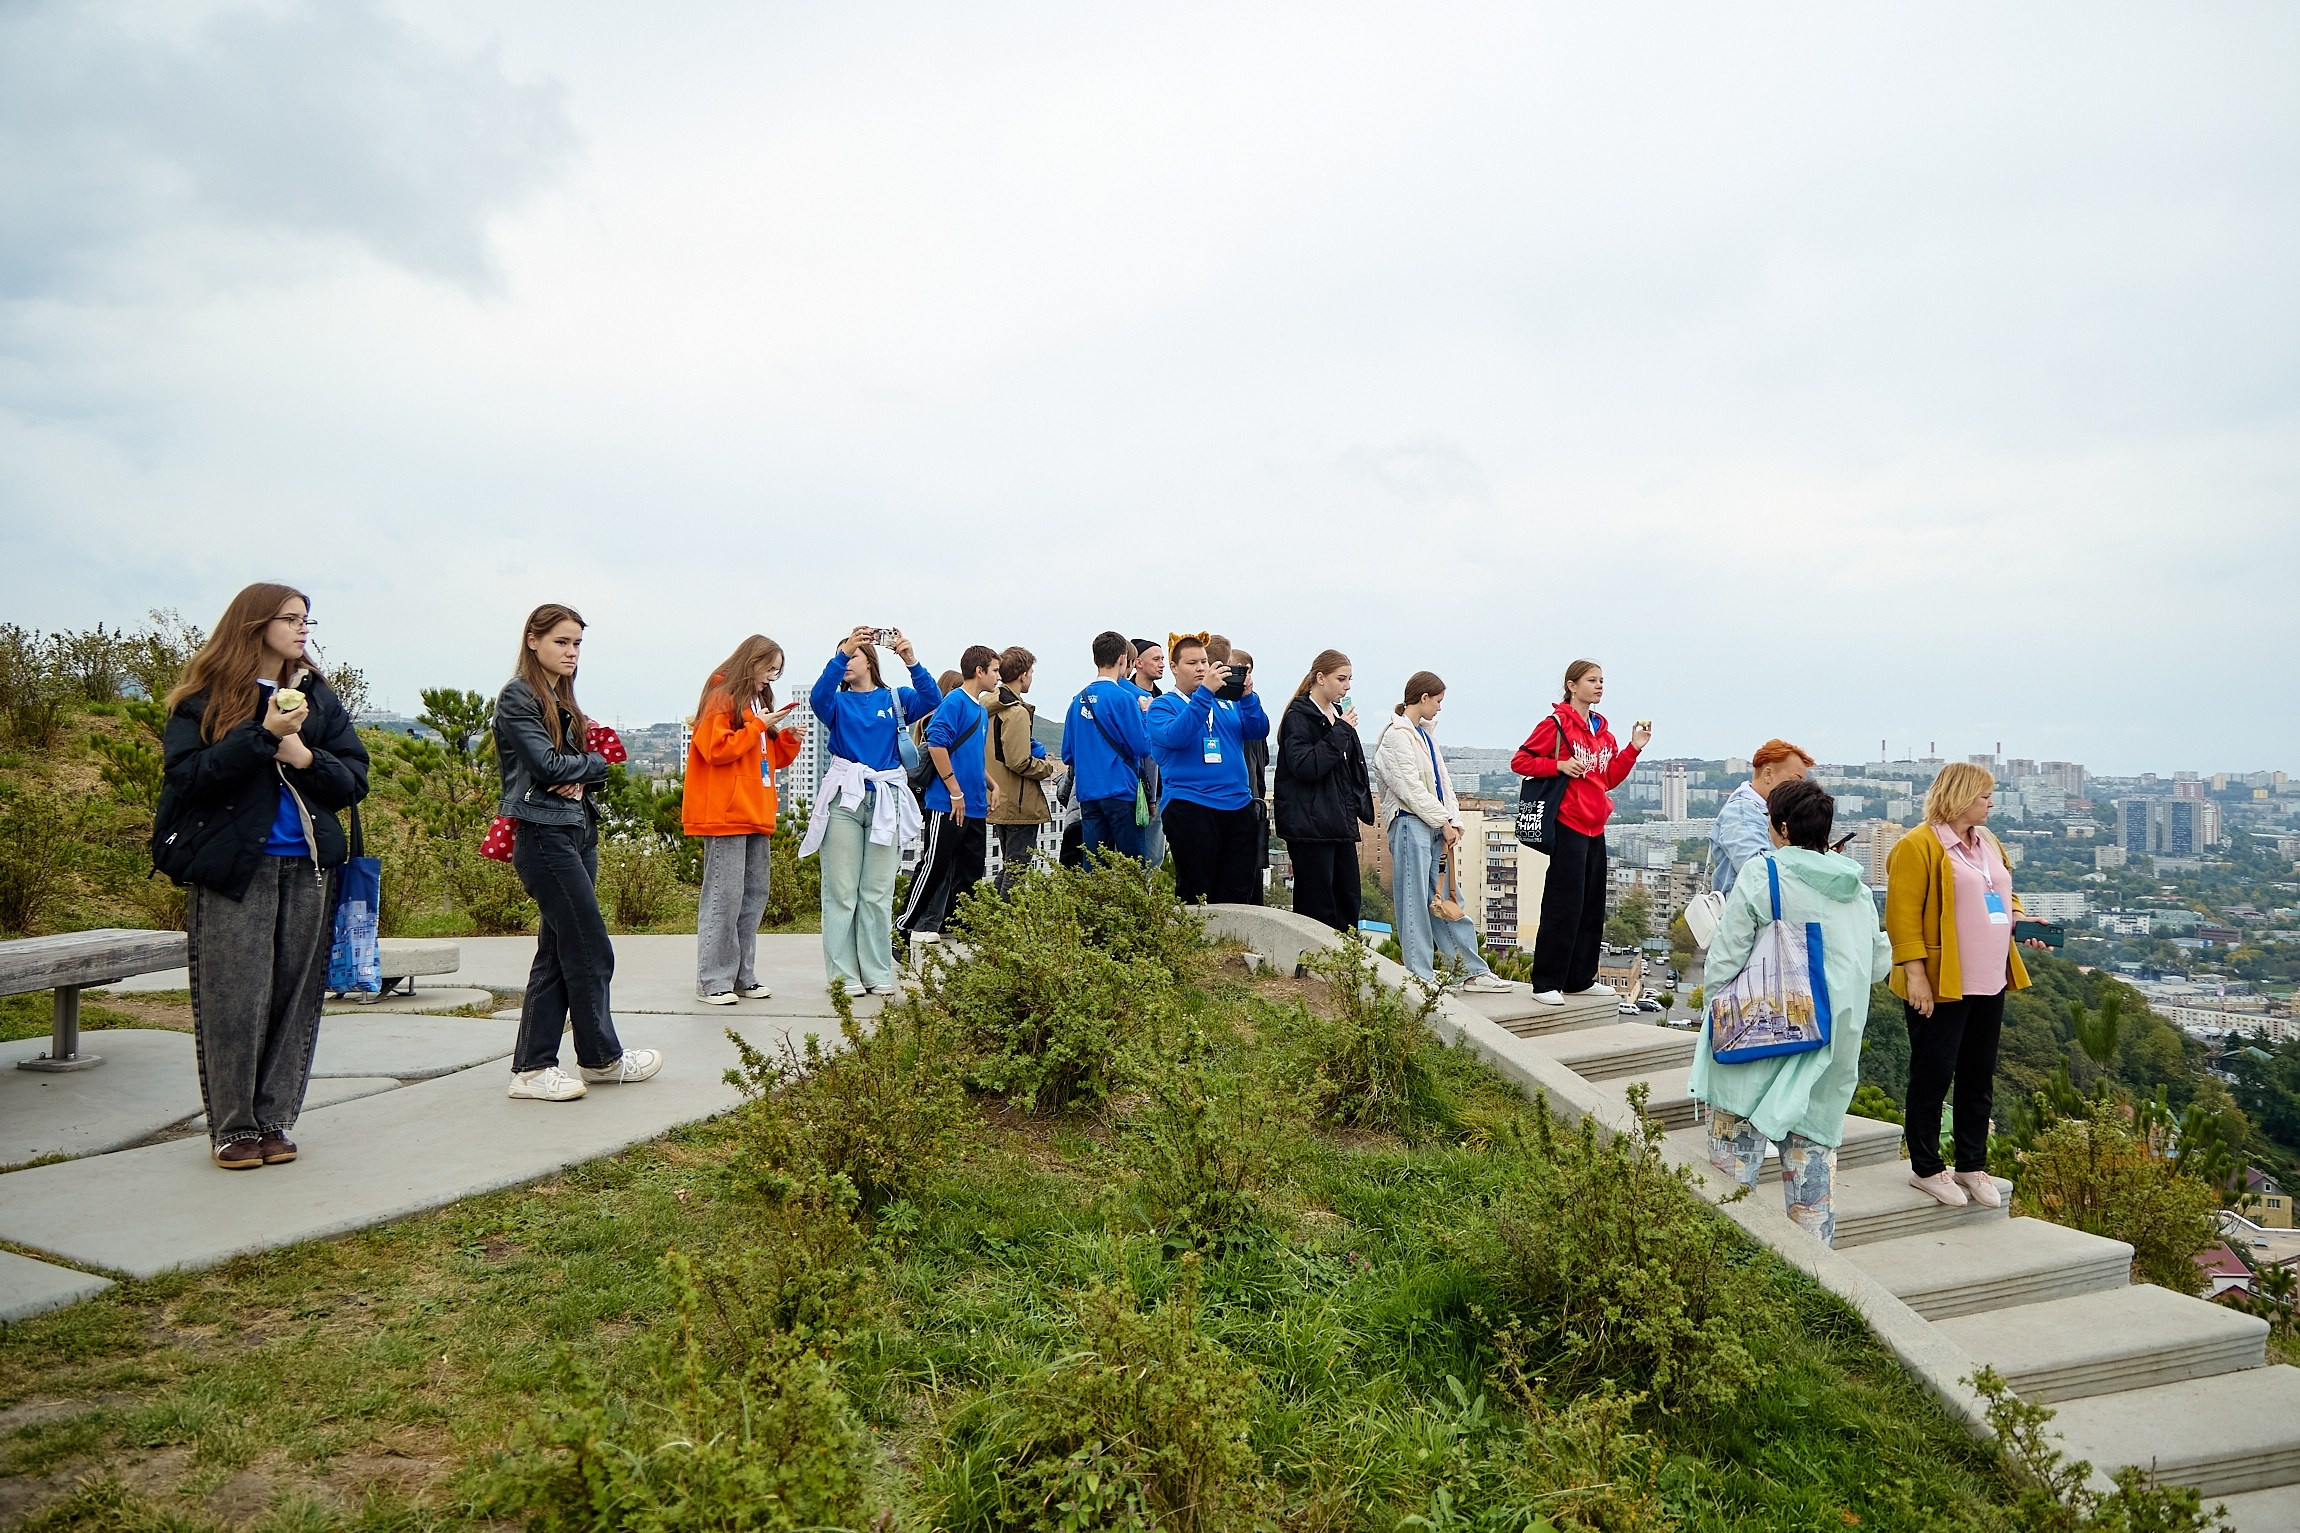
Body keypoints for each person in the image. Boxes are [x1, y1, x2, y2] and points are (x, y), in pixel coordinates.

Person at [152, 583, 370, 1169]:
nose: (304, 630)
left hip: (310, 865)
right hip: (234, 867)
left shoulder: (318, 697)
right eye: (291, 619)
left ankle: (274, 1122)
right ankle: (233, 1128)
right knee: (234, 998)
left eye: (308, 620)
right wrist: (264, 734)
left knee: (294, 996)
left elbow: (353, 781)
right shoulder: (206, 695)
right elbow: (188, 778)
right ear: (254, 624)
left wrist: (303, 756)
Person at [1691, 779, 1893, 1247]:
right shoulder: (1857, 890)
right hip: (1828, 1052)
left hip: (1758, 1043)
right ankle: (1813, 1286)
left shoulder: (1765, 874)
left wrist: (1714, 1015)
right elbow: (1880, 964)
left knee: (1728, 1190)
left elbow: (1727, 958)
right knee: (1811, 1198)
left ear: (1781, 826)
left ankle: (1722, 1284)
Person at [495, 603, 663, 1102]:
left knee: (557, 952)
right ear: (533, 640)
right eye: (561, 642)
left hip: (575, 830)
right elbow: (548, 765)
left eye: (577, 644)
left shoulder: (559, 697)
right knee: (590, 948)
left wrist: (582, 769)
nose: (571, 653)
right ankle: (597, 1058)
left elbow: (599, 766)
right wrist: (585, 765)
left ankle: (544, 1067)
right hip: (543, 834)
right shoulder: (519, 696)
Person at [1887, 762, 2036, 1209]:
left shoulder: (1987, 841)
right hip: (1940, 981)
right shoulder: (1918, 845)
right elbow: (1902, 915)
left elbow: (2003, 894)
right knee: (1933, 1074)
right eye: (1985, 796)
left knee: (1978, 1074)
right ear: (1961, 796)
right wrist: (1916, 976)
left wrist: (2023, 920)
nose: (1991, 803)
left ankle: (1972, 1164)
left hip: (1990, 977)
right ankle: (1927, 1167)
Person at [799, 625, 937, 996]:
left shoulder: (895, 698)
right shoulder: (837, 703)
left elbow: (931, 697)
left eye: (855, 653)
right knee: (841, 891)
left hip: (885, 799)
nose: (847, 659)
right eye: (843, 653)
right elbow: (818, 695)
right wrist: (842, 652)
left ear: (870, 659)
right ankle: (843, 976)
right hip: (845, 799)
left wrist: (911, 659)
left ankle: (877, 971)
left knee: (877, 891)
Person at [1511, 659, 1650, 1006]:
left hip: (1595, 826)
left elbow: (1608, 778)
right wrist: (1557, 765)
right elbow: (1520, 761)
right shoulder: (1556, 725)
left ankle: (1580, 978)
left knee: (1591, 906)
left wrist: (1634, 748)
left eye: (1602, 680)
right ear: (1572, 686)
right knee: (1563, 905)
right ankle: (1546, 982)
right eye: (1592, 680)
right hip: (1568, 824)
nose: (1600, 685)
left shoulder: (1603, 731)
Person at [1371, 671, 1512, 992]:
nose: (1439, 708)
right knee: (1415, 901)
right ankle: (1419, 974)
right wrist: (1444, 821)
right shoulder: (1396, 735)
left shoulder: (1424, 735)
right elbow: (1409, 788)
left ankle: (1469, 971)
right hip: (1410, 823)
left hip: (1434, 825)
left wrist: (1453, 821)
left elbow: (1442, 784)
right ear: (1423, 698)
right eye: (1437, 701)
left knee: (1447, 899)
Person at [684, 635, 804, 1006]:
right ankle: (713, 979)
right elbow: (717, 749)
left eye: (776, 671)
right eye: (769, 668)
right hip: (726, 812)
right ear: (751, 662)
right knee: (724, 895)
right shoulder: (722, 695)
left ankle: (740, 975)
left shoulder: (755, 702)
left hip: (755, 810)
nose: (771, 677)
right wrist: (756, 727)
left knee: (752, 895)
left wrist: (784, 738)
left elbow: (763, 760)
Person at [1145, 632, 1268, 905]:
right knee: (1197, 890)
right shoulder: (1163, 706)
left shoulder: (1226, 704)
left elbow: (1258, 729)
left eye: (1203, 661)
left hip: (1237, 806)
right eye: (1191, 663)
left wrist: (1248, 697)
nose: (1201, 668)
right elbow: (1178, 735)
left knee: (1237, 890)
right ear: (1174, 668)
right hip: (1191, 806)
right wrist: (1205, 694)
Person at [896, 644, 1000, 946]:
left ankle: (957, 926)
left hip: (975, 805)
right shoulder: (954, 702)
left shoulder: (980, 710)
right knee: (935, 865)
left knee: (970, 870)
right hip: (948, 803)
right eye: (994, 670)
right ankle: (903, 925)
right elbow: (937, 745)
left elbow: (971, 757)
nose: (997, 677)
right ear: (979, 671)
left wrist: (993, 785)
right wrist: (955, 791)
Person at [1271, 649, 1374, 931]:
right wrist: (1341, 731)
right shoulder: (1300, 717)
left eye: (1349, 679)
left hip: (1338, 821)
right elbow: (1306, 766)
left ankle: (1343, 962)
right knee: (1317, 900)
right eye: (1341, 678)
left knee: (1348, 896)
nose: (1347, 686)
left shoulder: (1337, 714)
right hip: (1310, 824)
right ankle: (1314, 963)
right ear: (1320, 678)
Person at [1061, 631, 1152, 864]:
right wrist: (1144, 714)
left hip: (1089, 792)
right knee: (1131, 867)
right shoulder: (1124, 698)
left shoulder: (1076, 700)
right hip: (1121, 789)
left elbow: (1067, 754)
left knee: (1093, 865)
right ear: (1123, 658)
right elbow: (1142, 747)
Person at [986, 645, 1058, 894]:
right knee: (1016, 869)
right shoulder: (1015, 712)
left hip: (998, 796)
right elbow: (1018, 761)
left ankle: (990, 915)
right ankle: (1003, 922)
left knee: (1009, 865)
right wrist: (1046, 768)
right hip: (1018, 800)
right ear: (1023, 674)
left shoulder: (988, 707)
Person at [1709, 739, 1815, 899]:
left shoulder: (1767, 811)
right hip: (1746, 916)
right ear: (1767, 774)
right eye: (1794, 781)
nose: (1798, 789)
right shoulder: (1742, 812)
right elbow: (1756, 870)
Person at [1128, 637, 1168, 868]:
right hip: (1133, 787)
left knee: (1154, 855)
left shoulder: (1163, 699)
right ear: (1138, 663)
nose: (1161, 663)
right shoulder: (1126, 697)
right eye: (1155, 659)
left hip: (1160, 786)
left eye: (1162, 658)